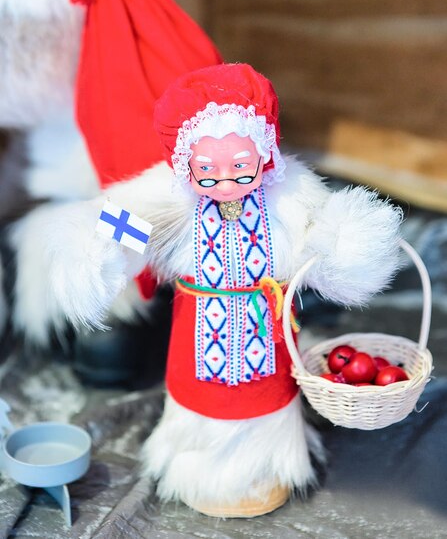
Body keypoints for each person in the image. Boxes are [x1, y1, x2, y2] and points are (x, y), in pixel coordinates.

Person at [44, 62, 403, 516]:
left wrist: (346, 247)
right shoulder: (169, 199)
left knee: (267, 413)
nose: (226, 181)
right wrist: (97, 245)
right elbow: (128, 231)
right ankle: (199, 473)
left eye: (239, 166)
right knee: (200, 414)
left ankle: (268, 470)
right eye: (207, 171)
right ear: (184, 160)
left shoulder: (291, 194)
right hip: (199, 338)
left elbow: (319, 250)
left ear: (264, 150)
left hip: (266, 339)